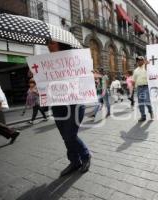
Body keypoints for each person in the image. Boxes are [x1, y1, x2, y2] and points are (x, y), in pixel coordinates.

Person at [47, 40, 91, 177]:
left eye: (52, 43)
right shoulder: (46, 63)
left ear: (61, 44)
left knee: (70, 134)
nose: (49, 46)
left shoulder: (75, 59)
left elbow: (85, 78)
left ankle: (85, 155)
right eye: (48, 43)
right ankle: (74, 161)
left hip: (75, 103)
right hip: (57, 104)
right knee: (65, 136)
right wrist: (35, 76)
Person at [133, 56, 154, 122]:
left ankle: (151, 111)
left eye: (140, 60)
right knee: (140, 103)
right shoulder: (135, 70)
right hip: (139, 88)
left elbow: (151, 73)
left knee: (147, 101)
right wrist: (133, 89)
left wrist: (147, 65)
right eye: (138, 60)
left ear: (143, 60)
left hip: (146, 87)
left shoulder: (146, 66)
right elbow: (134, 80)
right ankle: (143, 116)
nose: (139, 61)